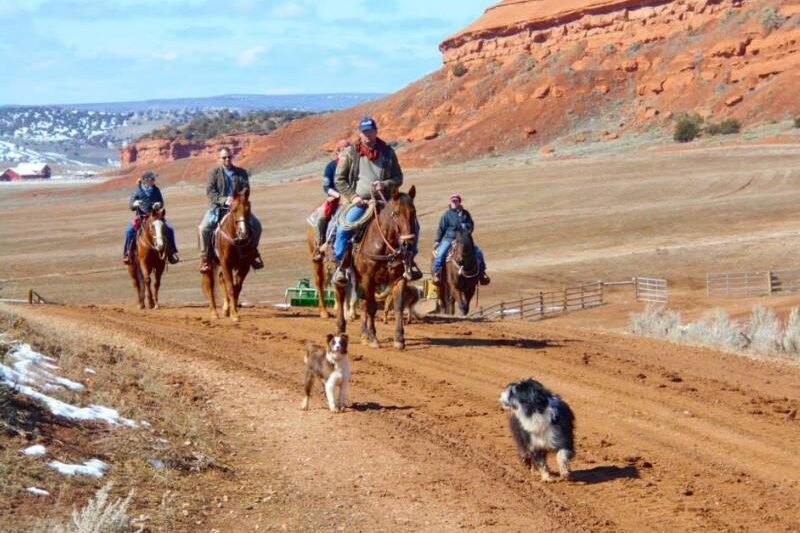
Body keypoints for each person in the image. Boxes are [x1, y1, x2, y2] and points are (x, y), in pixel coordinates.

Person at [332, 116, 422, 285]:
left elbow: (398, 177)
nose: (368, 135)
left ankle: (409, 262)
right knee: (345, 226)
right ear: (360, 133)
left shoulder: (388, 152)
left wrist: (385, 183)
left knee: (413, 226)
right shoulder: (350, 152)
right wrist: (354, 197)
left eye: (370, 131)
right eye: (364, 132)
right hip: (361, 202)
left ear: (376, 132)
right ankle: (341, 266)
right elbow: (340, 179)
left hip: (386, 201)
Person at [198, 148, 264, 273]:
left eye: (229, 157)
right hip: (218, 208)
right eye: (224, 157)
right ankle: (205, 258)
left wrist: (237, 199)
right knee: (203, 228)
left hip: (238, 208)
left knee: (257, 225)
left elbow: (246, 189)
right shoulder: (214, 173)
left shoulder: (241, 172)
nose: (227, 159)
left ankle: (253, 253)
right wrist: (224, 200)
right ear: (220, 158)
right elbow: (210, 191)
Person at [432, 193, 490, 285]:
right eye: (453, 201)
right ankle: (436, 273)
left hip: (463, 239)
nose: (454, 202)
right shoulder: (447, 215)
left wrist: (465, 228)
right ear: (451, 202)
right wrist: (437, 241)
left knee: (478, 252)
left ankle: (482, 274)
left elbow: (471, 225)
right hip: (449, 238)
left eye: (456, 200)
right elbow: (441, 228)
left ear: (459, 202)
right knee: (440, 254)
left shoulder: (465, 214)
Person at [123, 171, 179, 265]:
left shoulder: (156, 190)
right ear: (145, 180)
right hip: (142, 217)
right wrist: (134, 204)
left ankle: (171, 253)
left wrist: (159, 204)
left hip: (155, 217)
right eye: (152, 179)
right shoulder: (137, 191)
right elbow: (131, 206)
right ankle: (128, 253)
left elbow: (161, 202)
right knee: (129, 231)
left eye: (154, 179)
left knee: (170, 229)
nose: (154, 180)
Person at [311, 139, 349, 261]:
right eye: (343, 149)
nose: (346, 152)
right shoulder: (331, 167)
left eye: (348, 149)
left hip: (354, 197)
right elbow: (326, 186)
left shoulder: (356, 164)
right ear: (337, 151)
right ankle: (318, 247)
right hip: (336, 197)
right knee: (321, 218)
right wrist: (337, 195)